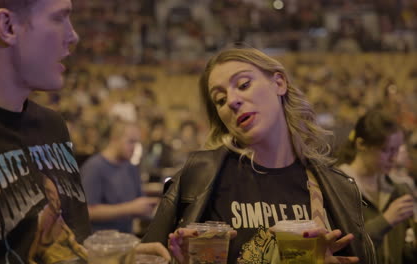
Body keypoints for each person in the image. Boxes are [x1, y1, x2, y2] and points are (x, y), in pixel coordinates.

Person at [0, 0, 169, 263]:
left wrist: (114, 256)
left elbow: (70, 245)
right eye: (59, 18)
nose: (73, 35)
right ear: (7, 26)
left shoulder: (53, 126)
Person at [142, 47, 376, 264]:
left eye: (243, 85)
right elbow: (146, 255)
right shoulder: (198, 177)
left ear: (279, 83)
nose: (232, 101)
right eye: (220, 100)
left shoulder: (336, 187)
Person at [337, 109, 416, 264]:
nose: (393, 158)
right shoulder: (338, 187)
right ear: (361, 144)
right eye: (386, 150)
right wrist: (385, 221)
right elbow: (344, 248)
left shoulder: (399, 189)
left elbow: (404, 254)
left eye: (396, 149)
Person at [81, 119, 159, 233]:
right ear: (114, 139)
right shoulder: (94, 167)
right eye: (131, 142)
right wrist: (130, 209)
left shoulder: (131, 167)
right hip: (100, 244)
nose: (134, 147)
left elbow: (138, 204)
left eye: (137, 143)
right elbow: (88, 212)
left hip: (126, 241)